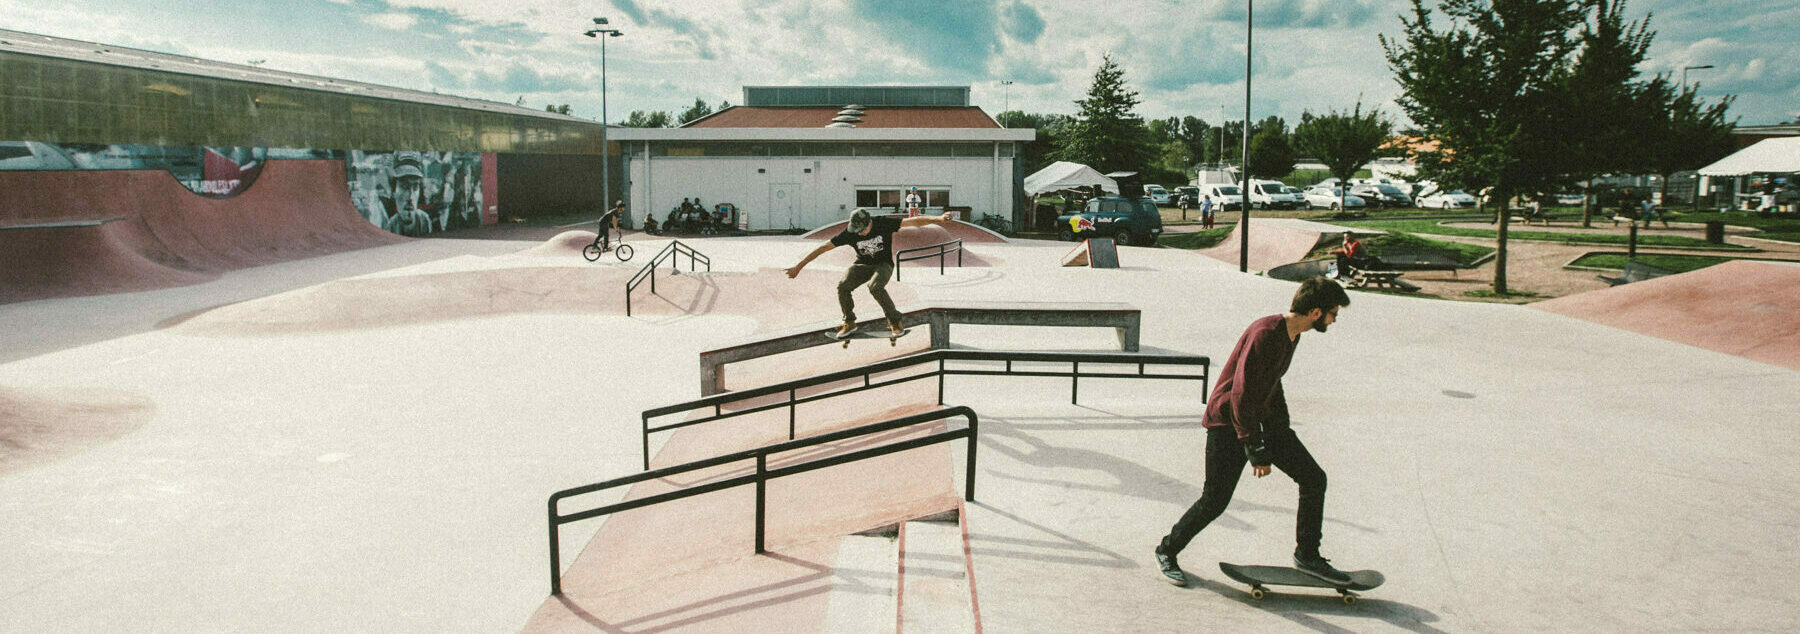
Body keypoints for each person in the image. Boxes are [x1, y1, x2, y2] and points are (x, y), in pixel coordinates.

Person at [1155, 276, 1355, 588]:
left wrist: (1281, 430)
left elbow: (1272, 383)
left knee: (1314, 478)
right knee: (1214, 501)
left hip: (1259, 421)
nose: (1335, 318)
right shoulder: (1266, 332)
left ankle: (1307, 554)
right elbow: (1241, 393)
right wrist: (1254, 448)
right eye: (1333, 312)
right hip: (1228, 423)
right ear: (1315, 313)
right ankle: (1167, 550)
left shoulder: (1292, 335)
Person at [785, 208, 954, 338]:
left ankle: (895, 321)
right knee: (843, 286)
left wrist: (939, 218)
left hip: (883, 264)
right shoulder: (849, 233)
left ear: (869, 222)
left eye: (862, 230)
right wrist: (799, 267)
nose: (858, 233)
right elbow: (823, 248)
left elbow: (914, 221)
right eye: (856, 230)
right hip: (862, 264)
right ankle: (849, 322)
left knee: (875, 287)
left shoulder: (883, 223)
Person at [382, 150, 433, 236]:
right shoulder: (389, 227)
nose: (410, 197)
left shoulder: (424, 221)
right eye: (404, 187)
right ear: (394, 191)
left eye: (415, 187)